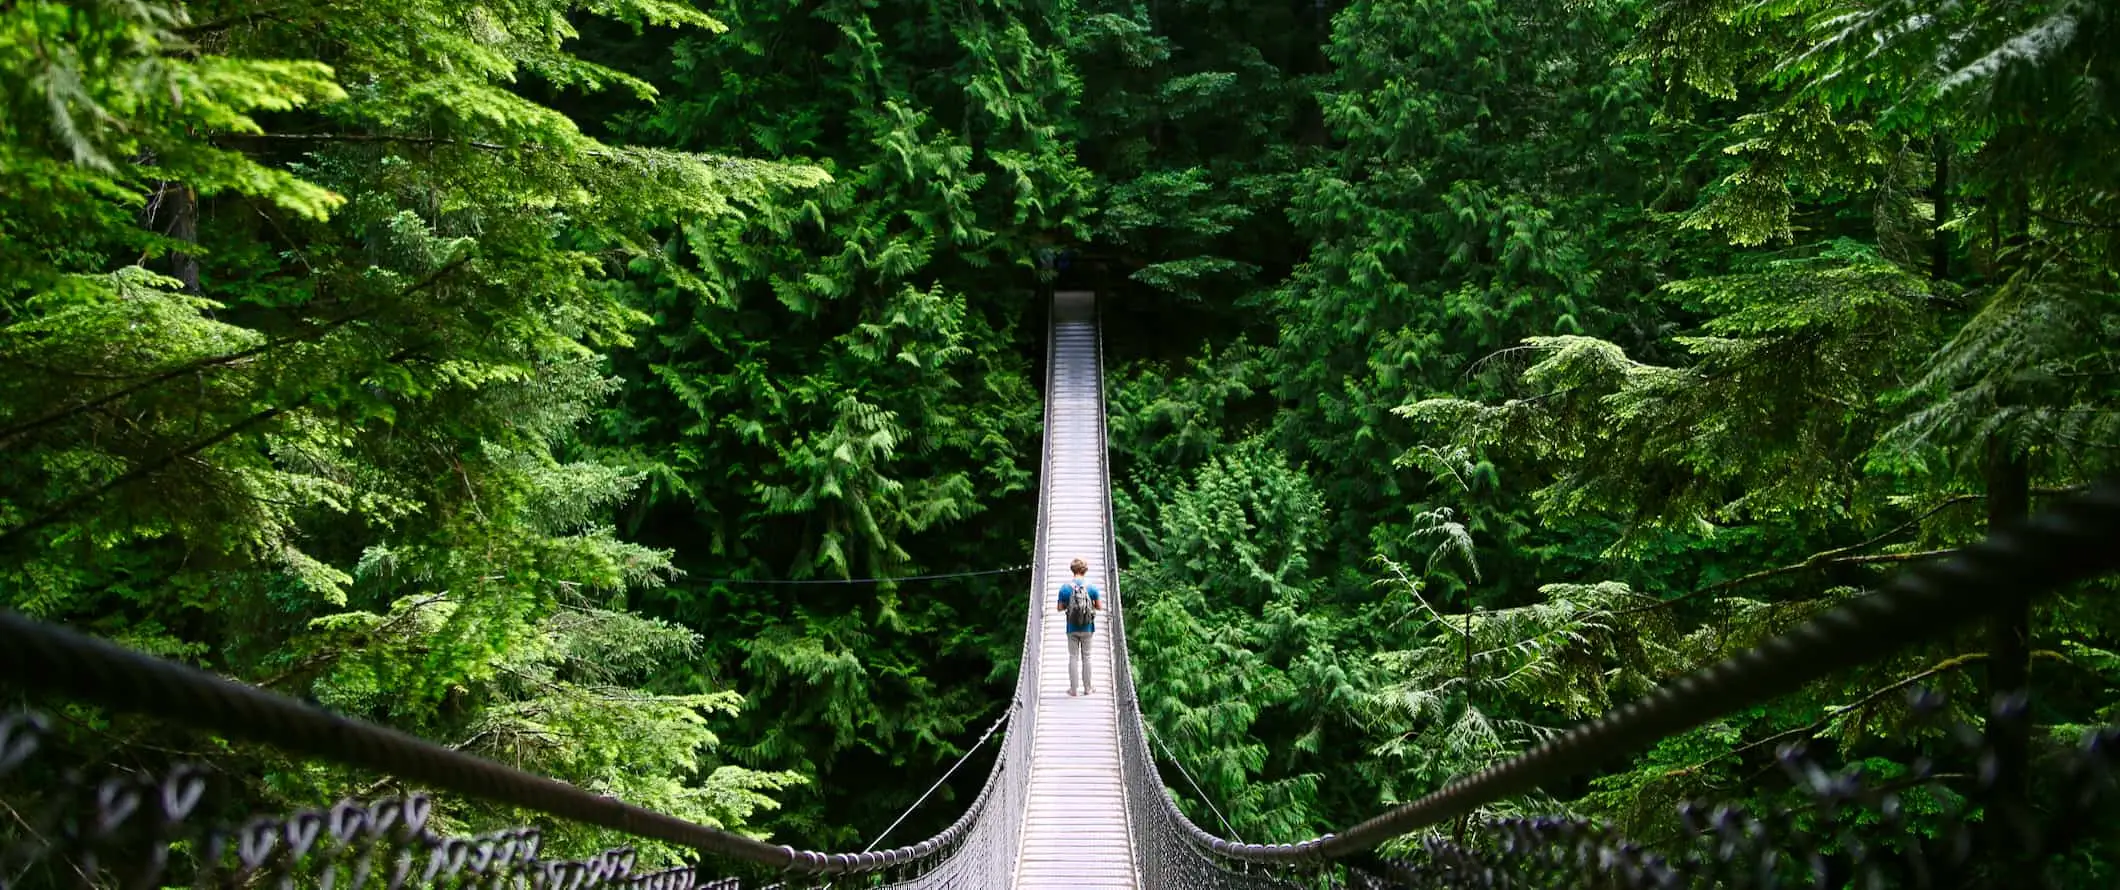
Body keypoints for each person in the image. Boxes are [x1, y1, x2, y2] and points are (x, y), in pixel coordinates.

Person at [1056, 557, 1102, 696]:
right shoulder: (1092, 587)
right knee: (1087, 657)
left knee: (1073, 657)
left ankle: (1073, 690)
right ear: (1085, 570)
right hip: (1088, 627)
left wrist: (1069, 605)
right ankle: (1088, 689)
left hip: (1072, 628)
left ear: (1072, 570)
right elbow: (1099, 607)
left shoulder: (1065, 588)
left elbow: (1059, 608)